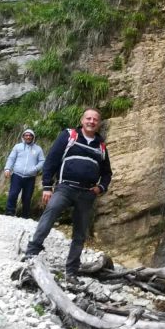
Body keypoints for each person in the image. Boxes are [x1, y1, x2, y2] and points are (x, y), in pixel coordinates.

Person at [24, 108, 112, 283]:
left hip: (87, 193)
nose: (91, 121)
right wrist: (47, 187)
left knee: (80, 234)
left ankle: (71, 272)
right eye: (88, 118)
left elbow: (107, 173)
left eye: (95, 119)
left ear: (99, 123)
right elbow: (52, 160)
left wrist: (100, 188)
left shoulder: (101, 146)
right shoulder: (69, 136)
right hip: (65, 188)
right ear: (82, 120)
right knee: (50, 214)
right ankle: (32, 252)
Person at [4, 129, 45, 218]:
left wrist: (35, 169)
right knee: (13, 194)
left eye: (30, 135)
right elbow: (11, 158)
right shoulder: (17, 147)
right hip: (17, 175)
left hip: (30, 177)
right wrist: (7, 169)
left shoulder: (38, 149)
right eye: (26, 135)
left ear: (33, 137)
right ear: (23, 137)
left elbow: (42, 161)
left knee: (27, 198)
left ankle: (25, 216)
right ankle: (9, 214)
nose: (28, 137)